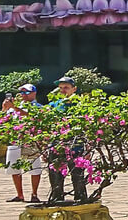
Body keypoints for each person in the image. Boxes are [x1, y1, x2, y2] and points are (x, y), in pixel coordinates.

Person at [46, 75, 87, 205]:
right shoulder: (54, 105)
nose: (63, 90)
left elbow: (86, 126)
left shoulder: (79, 105)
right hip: (57, 145)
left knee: (78, 176)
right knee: (56, 176)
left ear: (74, 89)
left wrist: (88, 146)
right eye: (61, 88)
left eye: (66, 87)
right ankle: (57, 199)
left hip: (76, 145)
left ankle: (80, 200)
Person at [5, 84, 43, 203]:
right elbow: (5, 121)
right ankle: (19, 194)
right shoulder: (14, 107)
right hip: (15, 139)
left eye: (26, 92)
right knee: (14, 167)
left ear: (34, 93)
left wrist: (15, 107)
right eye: (22, 93)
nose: (23, 95)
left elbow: (32, 117)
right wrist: (5, 108)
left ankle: (34, 194)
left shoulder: (38, 107)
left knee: (34, 167)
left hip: (30, 140)